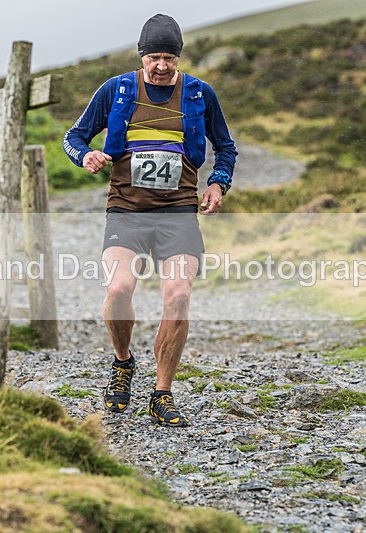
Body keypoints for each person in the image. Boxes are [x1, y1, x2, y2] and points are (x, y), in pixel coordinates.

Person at [63, 14, 237, 427]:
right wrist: (85, 155)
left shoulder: (198, 94)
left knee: (177, 296)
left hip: (179, 212)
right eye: (154, 57)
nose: (161, 66)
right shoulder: (117, 89)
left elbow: (226, 147)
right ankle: (123, 362)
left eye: (169, 58)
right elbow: (74, 136)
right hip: (126, 208)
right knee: (120, 288)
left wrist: (218, 184)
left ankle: (162, 392)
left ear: (178, 58)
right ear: (141, 56)